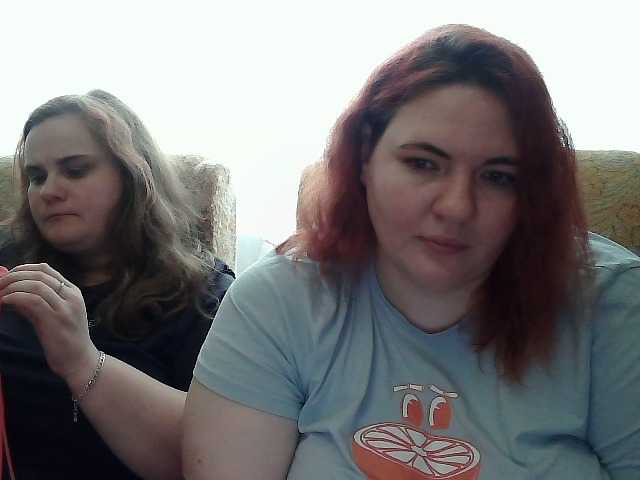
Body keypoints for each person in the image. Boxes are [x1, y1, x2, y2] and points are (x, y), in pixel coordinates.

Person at [182, 24, 640, 479]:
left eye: (498, 177)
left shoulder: (615, 309)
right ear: (365, 157)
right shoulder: (279, 300)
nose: (457, 206)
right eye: (423, 163)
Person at [0, 90, 234, 479]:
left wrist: (81, 360)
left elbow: (219, 452)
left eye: (76, 170)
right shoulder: (9, 258)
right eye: (37, 177)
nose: (49, 191)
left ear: (132, 176)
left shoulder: (202, 296)